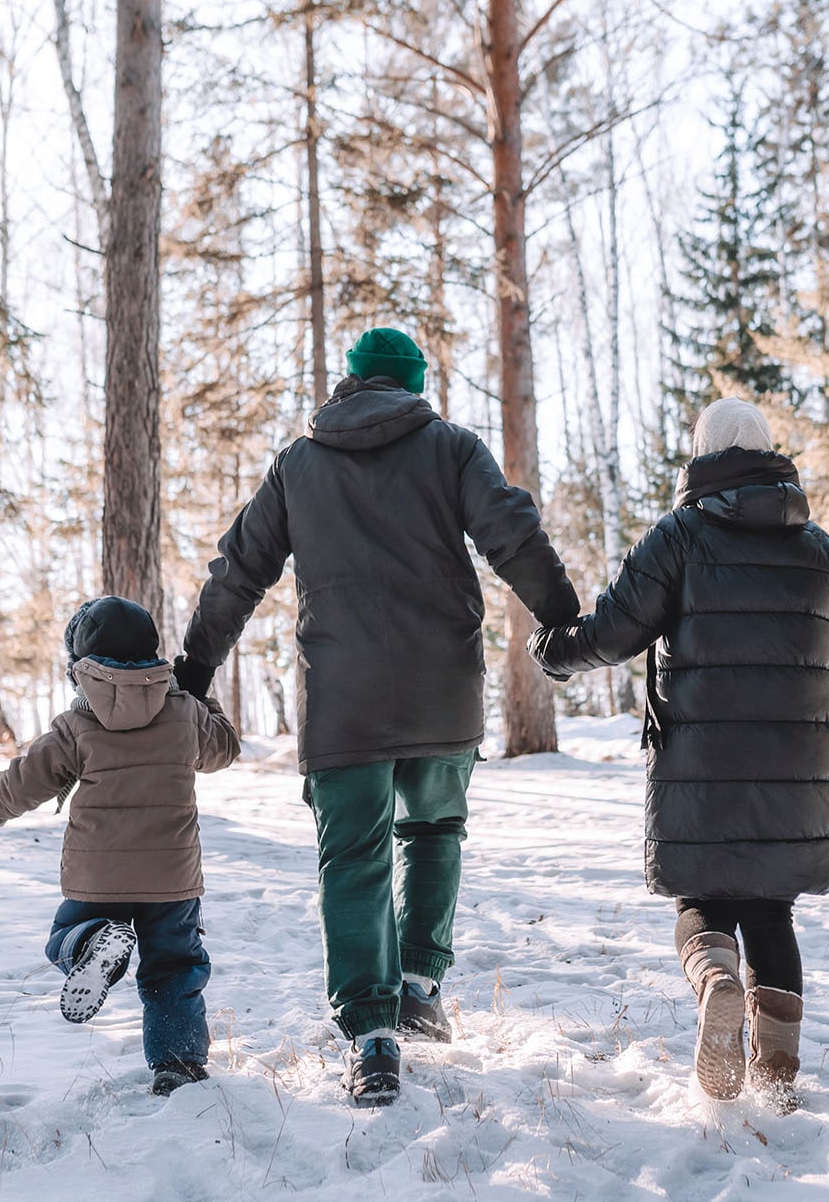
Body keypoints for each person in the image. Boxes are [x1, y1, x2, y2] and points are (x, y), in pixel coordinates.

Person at [175, 326, 579, 1106]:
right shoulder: (452, 448)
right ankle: (421, 985)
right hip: (442, 691)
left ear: (352, 382)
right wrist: (561, 616)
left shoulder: (299, 464)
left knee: (352, 859)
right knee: (432, 833)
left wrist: (196, 667)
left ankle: (372, 1036)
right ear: (412, 383)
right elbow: (512, 533)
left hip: (343, 703)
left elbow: (239, 573)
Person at [528, 398, 829, 1111]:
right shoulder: (820, 550)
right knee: (771, 910)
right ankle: (776, 1073)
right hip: (793, 771)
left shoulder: (681, 536)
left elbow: (615, 630)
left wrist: (554, 653)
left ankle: (716, 980)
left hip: (700, 760)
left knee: (702, 896)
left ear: (703, 455)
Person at [0, 595, 240, 1097]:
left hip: (98, 875)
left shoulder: (76, 726)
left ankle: (91, 943)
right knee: (174, 968)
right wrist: (201, 699)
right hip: (172, 879)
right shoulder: (184, 714)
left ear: (80, 669)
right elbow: (225, 750)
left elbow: (25, 780)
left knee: (64, 936)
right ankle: (179, 1065)